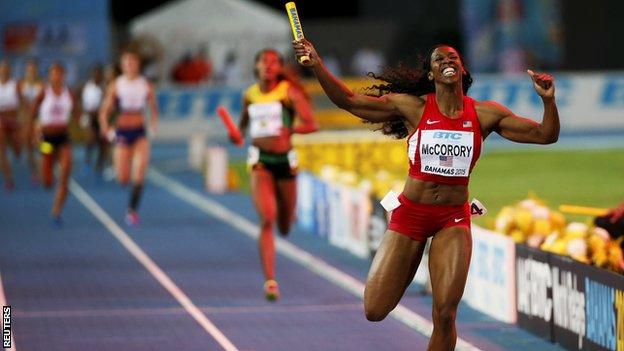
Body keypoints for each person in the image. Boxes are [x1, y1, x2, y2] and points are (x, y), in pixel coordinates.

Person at [293, 39, 559, 350]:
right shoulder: (413, 107)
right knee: (375, 309)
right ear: (431, 74)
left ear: (462, 68)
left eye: (453, 56)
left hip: (453, 218)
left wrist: (548, 101)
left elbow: (545, 135)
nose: (447, 60)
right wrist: (317, 65)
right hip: (411, 215)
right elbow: (349, 101)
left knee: (445, 314)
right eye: (438, 59)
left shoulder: (485, 114)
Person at [236, 48, 318, 301]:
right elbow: (241, 130)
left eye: (274, 62)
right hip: (260, 161)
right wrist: (235, 135)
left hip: (286, 162)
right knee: (267, 218)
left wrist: (291, 131)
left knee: (284, 223)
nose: (269, 66)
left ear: (280, 68)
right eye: (264, 61)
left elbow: (311, 124)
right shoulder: (249, 95)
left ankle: (284, 220)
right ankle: (270, 281)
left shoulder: (288, 93)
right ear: (256, 66)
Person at [99, 50, 159, 225]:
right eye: (127, 62)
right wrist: (107, 130)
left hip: (140, 132)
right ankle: (123, 175)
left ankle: (132, 211)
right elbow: (104, 112)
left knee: (140, 172)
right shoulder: (116, 85)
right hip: (122, 133)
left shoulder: (145, 84)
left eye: (133, 62)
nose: (130, 65)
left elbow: (153, 108)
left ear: (138, 64)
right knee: (123, 178)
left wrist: (153, 125)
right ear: (122, 65)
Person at [29, 63, 79, 225]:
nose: (57, 76)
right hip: (47, 140)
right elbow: (32, 114)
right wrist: (34, 132)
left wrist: (80, 126)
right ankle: (44, 172)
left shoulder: (69, 93)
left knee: (65, 173)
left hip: (63, 138)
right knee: (47, 180)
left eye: (59, 73)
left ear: (64, 75)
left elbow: (77, 114)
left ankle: (56, 211)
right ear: (50, 76)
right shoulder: (44, 92)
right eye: (54, 73)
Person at [19, 58, 44, 183]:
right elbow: (20, 102)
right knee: (28, 146)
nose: (31, 72)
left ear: (37, 71)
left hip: (38, 118)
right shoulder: (21, 85)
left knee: (40, 144)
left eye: (34, 70)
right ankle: (34, 171)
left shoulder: (41, 85)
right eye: (29, 70)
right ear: (26, 71)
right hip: (26, 119)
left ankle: (46, 164)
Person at [0, 60, 23, 190]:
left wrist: (24, 119)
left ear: (10, 71)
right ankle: (9, 179)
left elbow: (23, 102)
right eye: (2, 70)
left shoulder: (15, 84)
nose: (4, 72)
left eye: (6, 69)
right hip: (0, 120)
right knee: (2, 151)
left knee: (17, 149)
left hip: (13, 120)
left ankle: (17, 151)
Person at [81, 65, 107, 174]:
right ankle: (87, 161)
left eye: (99, 73)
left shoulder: (105, 87)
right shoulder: (88, 87)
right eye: (95, 73)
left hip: (101, 117)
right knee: (90, 140)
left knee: (102, 141)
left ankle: (100, 164)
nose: (97, 75)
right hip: (91, 117)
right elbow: (86, 105)